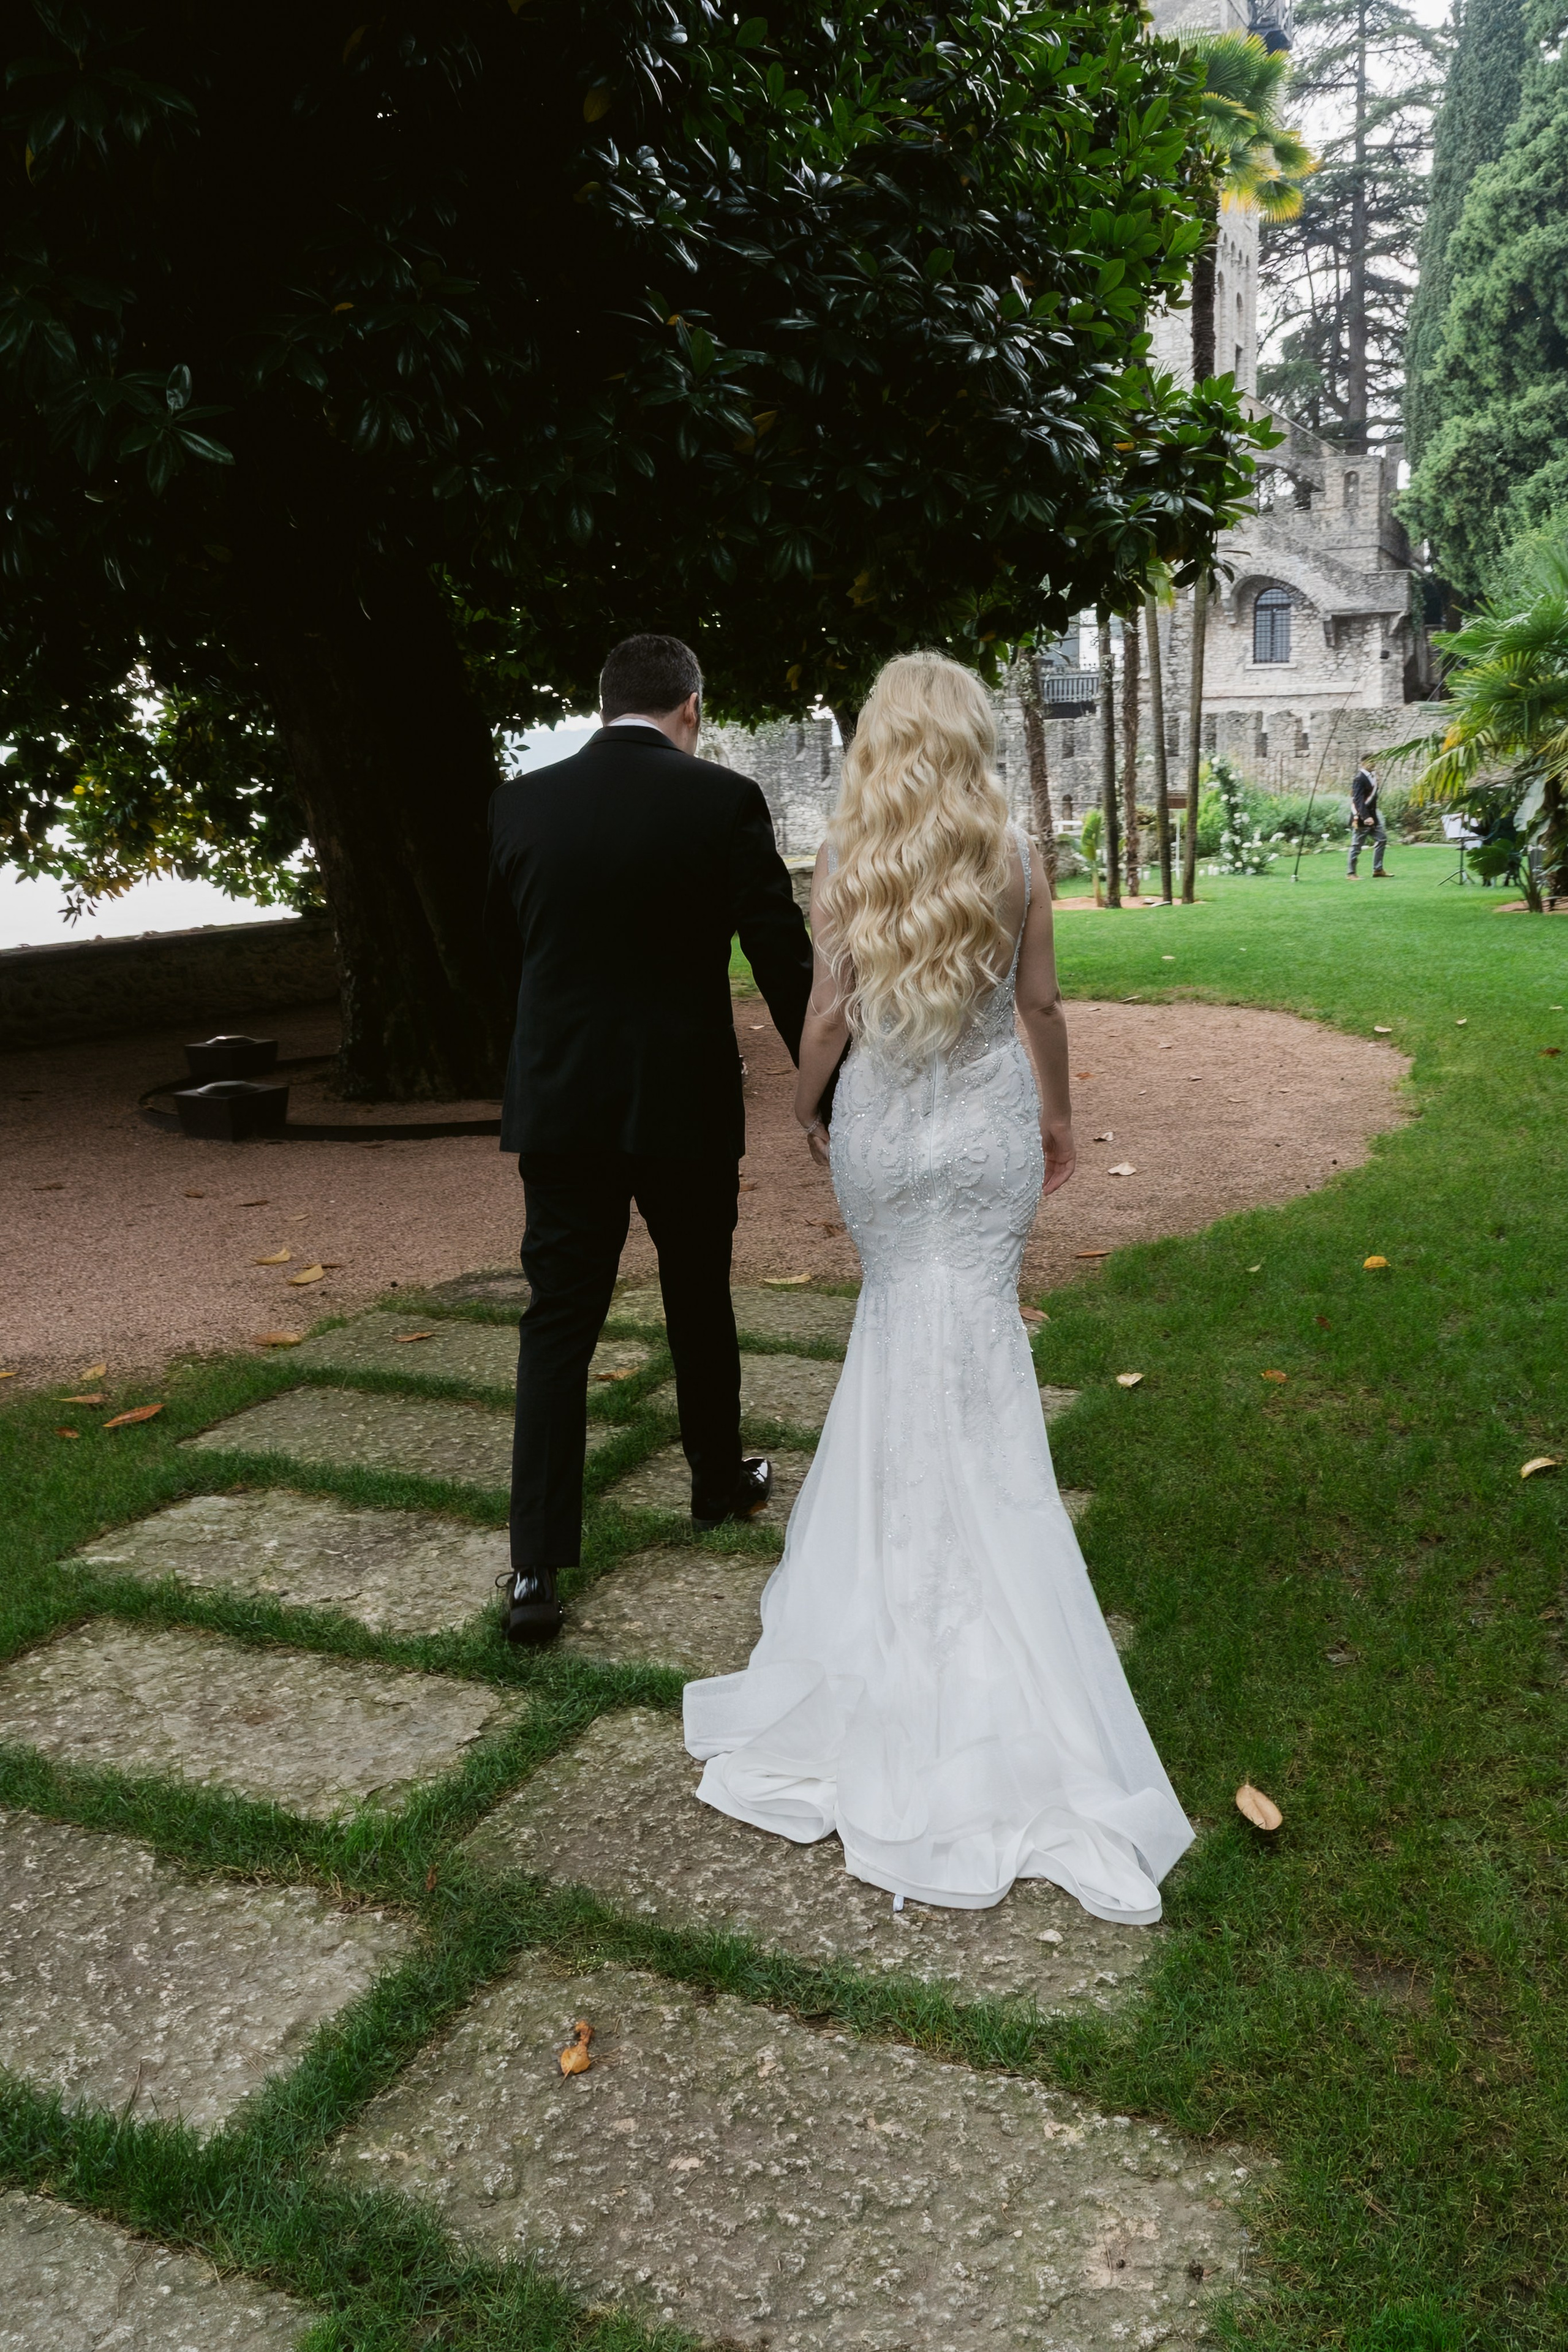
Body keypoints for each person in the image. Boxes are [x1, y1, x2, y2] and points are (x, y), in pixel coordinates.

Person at [683, 651, 1193, 1925]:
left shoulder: (847, 860)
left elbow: (824, 1021)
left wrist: (804, 1111)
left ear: (872, 743)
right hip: (976, 1135)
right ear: (968, 737)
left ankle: (889, 1608)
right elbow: (1040, 1006)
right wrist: (1060, 1121)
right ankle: (985, 1602)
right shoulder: (1016, 855)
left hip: (884, 1137)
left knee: (894, 1331)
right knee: (969, 1345)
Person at [484, 633, 813, 1643]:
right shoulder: (722, 802)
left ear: (602, 705)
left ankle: (535, 1569)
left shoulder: (519, 804)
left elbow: (506, 955)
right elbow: (778, 954)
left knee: (558, 1320)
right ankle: (718, 1481)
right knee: (696, 1291)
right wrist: (828, 1083)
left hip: (563, 1104)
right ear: (693, 708)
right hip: (683, 1102)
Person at [1347, 760, 1387, 877]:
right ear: (1363, 763)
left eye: (1374, 761)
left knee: (1382, 839)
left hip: (1373, 816)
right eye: (1370, 762)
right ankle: (1351, 873)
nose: (1373, 764)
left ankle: (1378, 870)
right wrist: (1365, 817)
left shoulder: (1372, 776)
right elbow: (1358, 800)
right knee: (1356, 845)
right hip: (1362, 817)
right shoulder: (1359, 778)